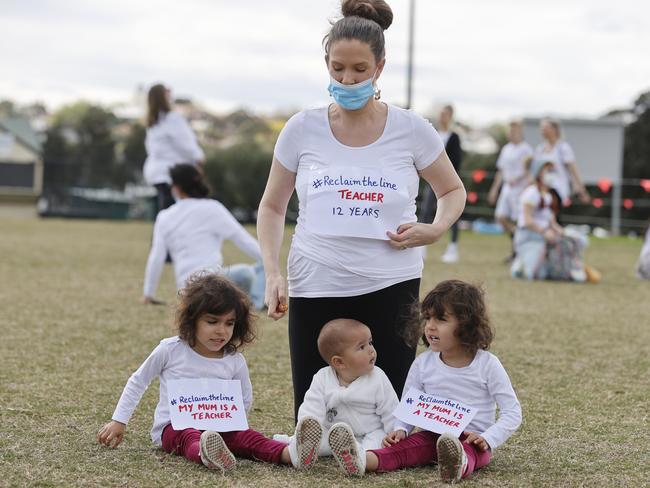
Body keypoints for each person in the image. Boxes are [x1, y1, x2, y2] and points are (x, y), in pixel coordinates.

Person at [257, 0, 466, 421]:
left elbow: (453, 190)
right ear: (326, 64)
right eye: (337, 69)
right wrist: (273, 272)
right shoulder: (302, 128)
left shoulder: (412, 129)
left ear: (380, 67)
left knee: (394, 418)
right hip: (316, 280)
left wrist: (437, 227)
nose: (346, 79)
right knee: (313, 416)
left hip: (391, 281)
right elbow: (272, 206)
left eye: (358, 70)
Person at [97, 274, 321, 471]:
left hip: (221, 428)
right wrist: (119, 421)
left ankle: (292, 454)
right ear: (192, 320)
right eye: (212, 321)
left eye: (229, 323)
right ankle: (208, 454)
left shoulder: (234, 360)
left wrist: (232, 422)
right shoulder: (170, 350)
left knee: (250, 438)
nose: (221, 331)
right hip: (173, 428)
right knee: (189, 437)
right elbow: (138, 381)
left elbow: (244, 398)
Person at [327, 280, 522, 483]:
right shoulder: (423, 363)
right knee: (401, 450)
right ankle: (360, 460)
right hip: (431, 435)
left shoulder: (487, 364)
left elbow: (512, 413)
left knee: (469, 453)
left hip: (473, 440)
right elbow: (411, 405)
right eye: (427, 318)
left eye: (441, 319)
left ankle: (457, 464)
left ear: (467, 323)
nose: (430, 326)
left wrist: (488, 438)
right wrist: (401, 429)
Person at [273, 319, 399, 465]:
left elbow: (390, 408)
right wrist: (306, 427)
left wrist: (394, 431)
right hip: (334, 433)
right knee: (320, 440)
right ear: (339, 362)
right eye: (362, 347)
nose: (371, 350)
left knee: (376, 443)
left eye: (370, 343)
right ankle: (299, 447)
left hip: (369, 431)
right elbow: (311, 407)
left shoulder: (378, 378)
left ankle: (359, 459)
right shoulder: (322, 378)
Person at [143, 164, 265, 308]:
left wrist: (148, 294)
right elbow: (244, 241)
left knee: (259, 266)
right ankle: (256, 304)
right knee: (255, 268)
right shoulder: (213, 208)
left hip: (186, 290)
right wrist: (269, 260)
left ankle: (244, 302)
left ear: (176, 188)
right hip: (214, 281)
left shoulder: (164, 216)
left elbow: (156, 257)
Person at [510, 159, 592, 282]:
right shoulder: (531, 193)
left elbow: (551, 222)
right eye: (547, 170)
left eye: (552, 170)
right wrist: (544, 232)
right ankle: (521, 264)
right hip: (530, 236)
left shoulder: (549, 195)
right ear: (538, 173)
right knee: (534, 275)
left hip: (545, 235)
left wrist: (562, 233)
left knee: (576, 240)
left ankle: (571, 270)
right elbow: (527, 221)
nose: (551, 174)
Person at [143, 83, 205, 215]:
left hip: (157, 172)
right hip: (172, 172)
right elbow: (185, 143)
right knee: (174, 213)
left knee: (165, 212)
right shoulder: (172, 119)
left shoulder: (152, 121)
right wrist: (198, 157)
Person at [420, 105, 464, 263]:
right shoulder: (434, 134)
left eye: (445, 114)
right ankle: (421, 247)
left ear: (450, 116)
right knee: (425, 211)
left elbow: (457, 160)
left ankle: (453, 247)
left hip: (447, 181)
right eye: (440, 114)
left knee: (451, 214)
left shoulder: (454, 137)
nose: (441, 117)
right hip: (431, 181)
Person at [487, 120, 533, 262]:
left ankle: (518, 252)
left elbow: (530, 169)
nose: (511, 133)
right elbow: (501, 171)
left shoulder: (526, 149)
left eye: (514, 130)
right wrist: (494, 189)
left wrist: (519, 179)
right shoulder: (506, 149)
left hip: (520, 188)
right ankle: (515, 238)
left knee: (519, 220)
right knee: (501, 216)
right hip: (507, 188)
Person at [534, 118, 590, 218]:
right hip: (543, 188)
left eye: (545, 128)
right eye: (541, 128)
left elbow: (573, 169)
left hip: (558, 188)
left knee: (552, 215)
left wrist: (582, 190)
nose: (542, 131)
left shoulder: (563, 148)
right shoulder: (540, 149)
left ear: (554, 129)